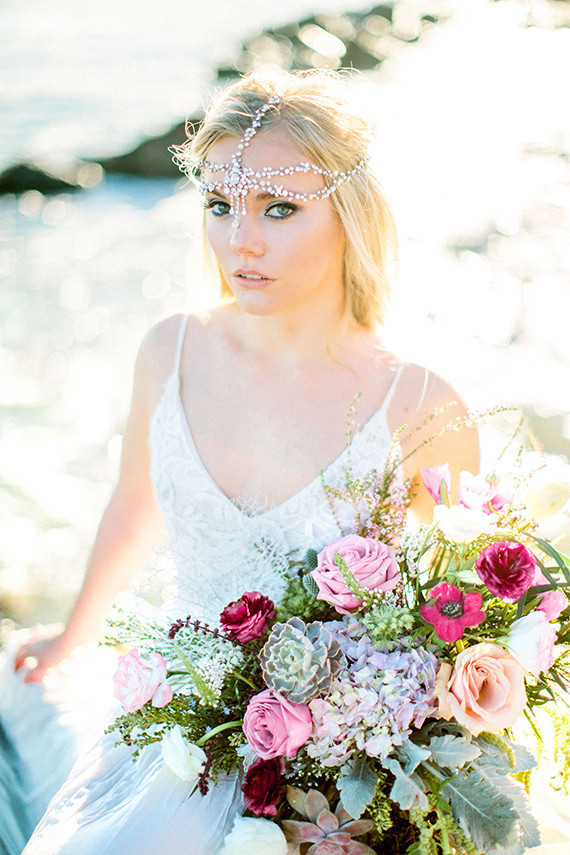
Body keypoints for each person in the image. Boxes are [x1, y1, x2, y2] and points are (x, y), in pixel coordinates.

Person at [1, 68, 478, 854]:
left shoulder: (420, 404)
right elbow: (131, 508)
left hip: (337, 776)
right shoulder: (171, 350)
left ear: (348, 214)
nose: (240, 240)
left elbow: (454, 625)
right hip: (172, 739)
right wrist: (69, 639)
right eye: (220, 205)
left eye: (280, 208)